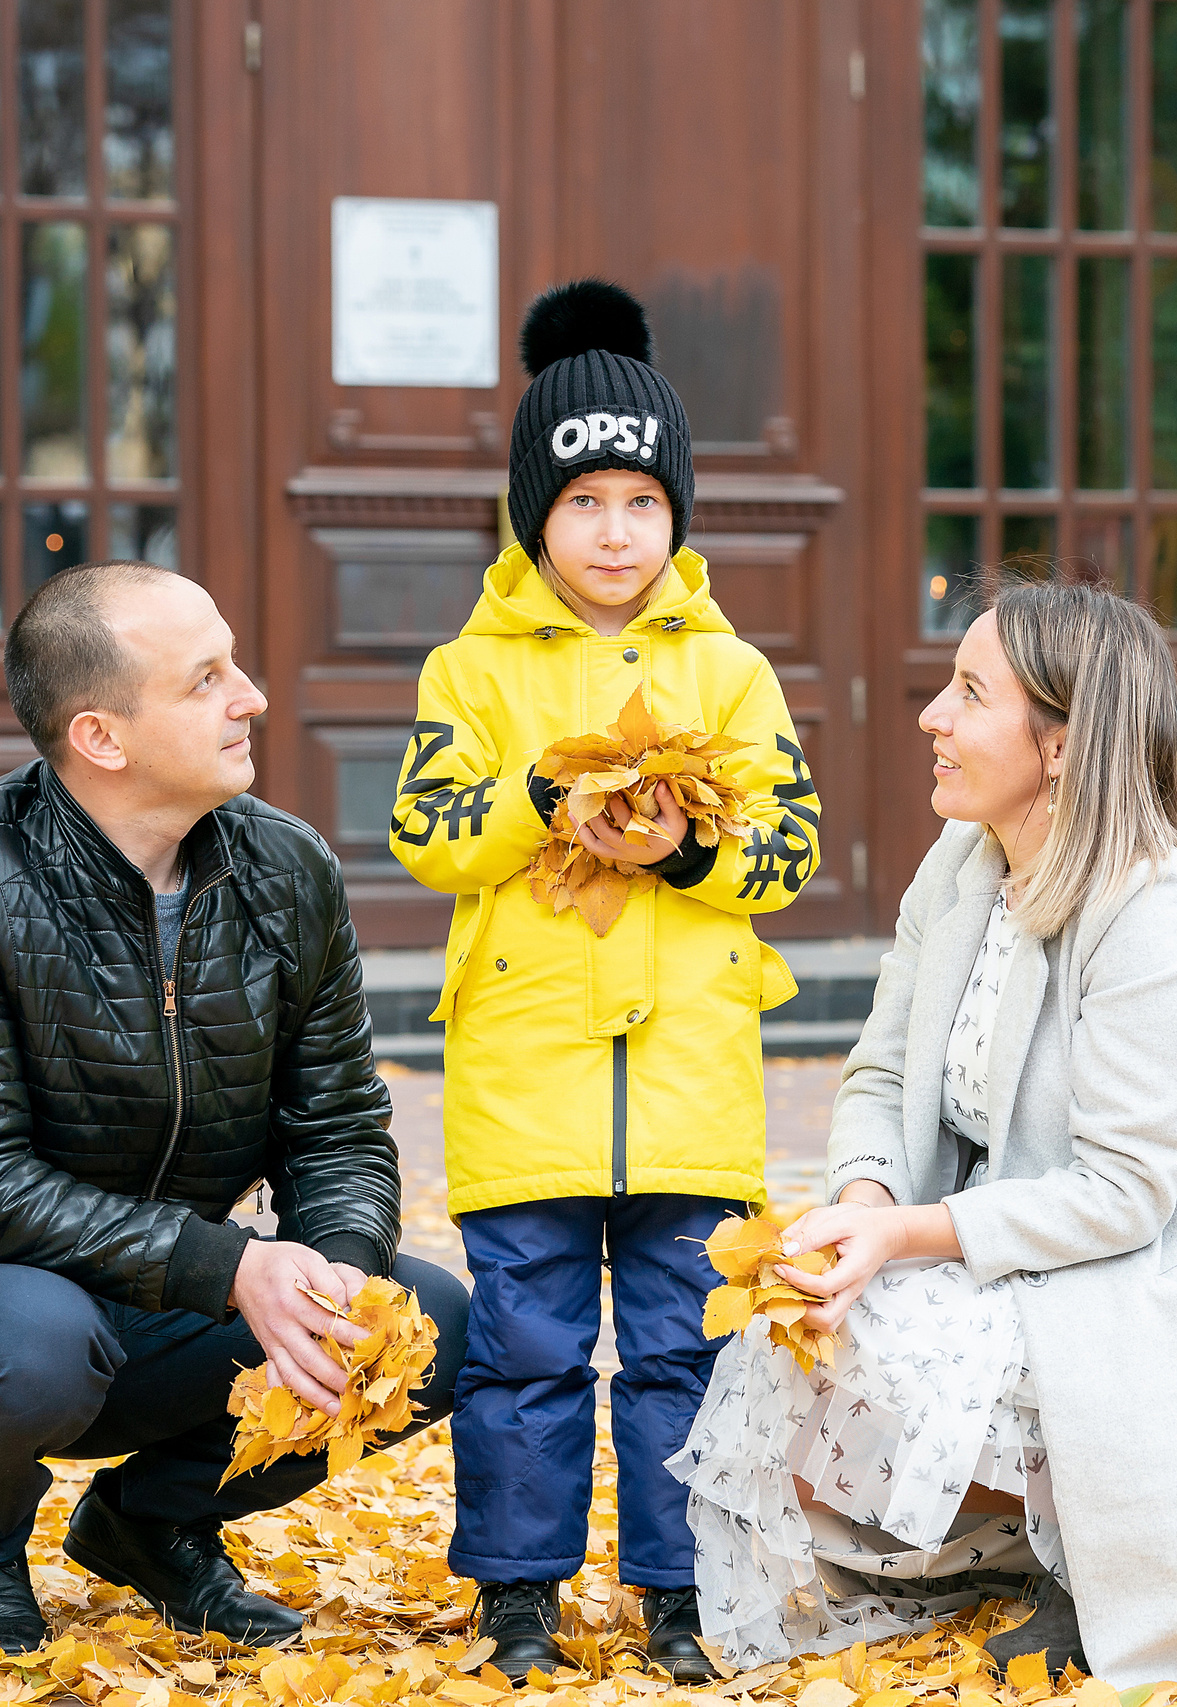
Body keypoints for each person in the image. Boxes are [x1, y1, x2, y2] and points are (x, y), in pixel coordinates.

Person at [670, 578, 1177, 1687]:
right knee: (803, 1322)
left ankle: (1091, 1569)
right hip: (1013, 1248)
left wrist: (902, 1238)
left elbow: (1124, 1194)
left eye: (967, 694)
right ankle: (1007, 1553)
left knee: (903, 1345)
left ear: (1059, 745)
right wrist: (860, 1208)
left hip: (1142, 1281)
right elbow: (884, 1065)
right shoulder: (962, 864)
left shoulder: (1154, 910)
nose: (929, 718)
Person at [0, 561, 469, 1653]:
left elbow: (341, 1129)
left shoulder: (285, 866)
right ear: (102, 738)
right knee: (34, 1333)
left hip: (165, 1301)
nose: (251, 696)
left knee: (425, 1323)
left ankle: (153, 1527)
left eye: (235, 665)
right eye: (206, 678)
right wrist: (233, 1267)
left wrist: (335, 1265)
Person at [388, 280, 824, 1683]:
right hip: (527, 1087)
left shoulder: (734, 670)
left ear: (677, 513)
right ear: (536, 514)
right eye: (585, 502)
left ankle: (681, 1589)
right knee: (520, 1358)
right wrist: (538, 799)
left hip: (692, 1085)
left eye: (643, 499)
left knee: (680, 1362)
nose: (617, 530)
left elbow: (792, 847)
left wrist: (689, 846)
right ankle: (518, 1588)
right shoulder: (470, 670)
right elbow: (429, 834)